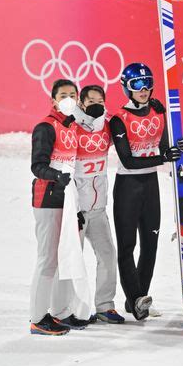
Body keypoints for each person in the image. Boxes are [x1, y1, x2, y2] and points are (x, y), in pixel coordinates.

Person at [110, 63, 183, 321]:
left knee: (151, 245)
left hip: (150, 186)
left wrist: (176, 149)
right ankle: (135, 298)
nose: (143, 90)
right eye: (136, 85)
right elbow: (128, 161)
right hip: (128, 187)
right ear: (126, 88)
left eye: (147, 83)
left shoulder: (157, 110)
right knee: (127, 246)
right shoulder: (119, 119)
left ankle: (139, 299)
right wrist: (163, 157)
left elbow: (165, 146)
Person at [30, 79, 89, 335]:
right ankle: (37, 317)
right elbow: (37, 166)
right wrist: (56, 177)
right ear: (53, 100)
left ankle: (60, 313)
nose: (68, 99)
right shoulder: (45, 127)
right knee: (47, 260)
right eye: (62, 95)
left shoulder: (73, 127)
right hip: (47, 199)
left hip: (67, 199)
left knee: (66, 256)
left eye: (72, 95)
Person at [72, 85, 124, 324]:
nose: (96, 104)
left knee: (107, 255)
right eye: (91, 100)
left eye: (100, 100)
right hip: (77, 210)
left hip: (98, 207)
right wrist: (72, 207)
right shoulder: (71, 126)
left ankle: (105, 306)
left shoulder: (107, 126)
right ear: (81, 103)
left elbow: (130, 131)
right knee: (73, 259)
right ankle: (71, 309)